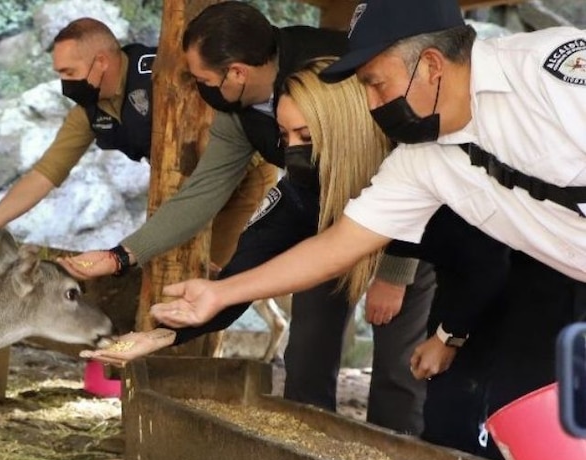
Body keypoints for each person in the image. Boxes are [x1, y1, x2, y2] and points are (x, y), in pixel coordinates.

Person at [147, 0, 586, 460]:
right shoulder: (420, 160)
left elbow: (481, 264)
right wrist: (221, 294)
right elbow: (337, 246)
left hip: (511, 284)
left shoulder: (550, 71)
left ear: (430, 65)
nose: (372, 106)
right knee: (524, 432)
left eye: (376, 84)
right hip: (554, 279)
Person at [83, 58, 509, 440]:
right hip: (455, 270)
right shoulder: (300, 193)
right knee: (309, 355)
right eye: (286, 136)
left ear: (347, 127)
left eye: (307, 134)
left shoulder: (414, 172)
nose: (295, 150)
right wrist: (161, 335)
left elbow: (485, 261)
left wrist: (448, 334)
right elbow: (239, 279)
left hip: (513, 272)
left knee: (453, 413)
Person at [61, 2, 433, 435]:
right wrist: (136, 280)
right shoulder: (244, 117)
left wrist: (395, 270)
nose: (197, 89)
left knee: (399, 368)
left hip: (412, 228)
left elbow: (417, 166)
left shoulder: (340, 74)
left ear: (237, 73)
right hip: (320, 213)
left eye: (201, 79)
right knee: (307, 355)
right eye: (282, 134)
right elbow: (214, 205)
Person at [0, 17, 275, 266]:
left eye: (69, 73)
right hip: (181, 194)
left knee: (215, 268)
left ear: (101, 62)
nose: (65, 84)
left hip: (240, 178)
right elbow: (44, 174)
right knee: (169, 265)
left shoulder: (167, 76)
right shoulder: (88, 111)